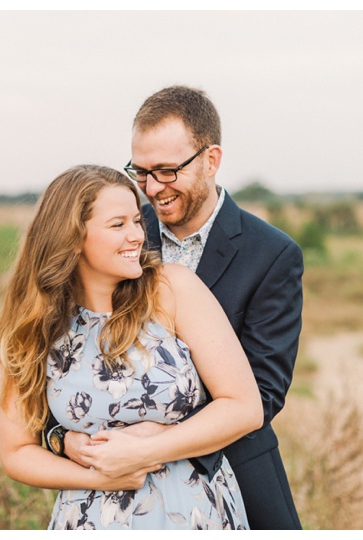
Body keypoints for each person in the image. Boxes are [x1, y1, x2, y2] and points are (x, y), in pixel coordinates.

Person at [58, 86, 305, 530]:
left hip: (235, 476)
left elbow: (263, 392)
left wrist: (153, 440)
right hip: (116, 487)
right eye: (141, 171)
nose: (152, 188)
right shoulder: (116, 237)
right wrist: (63, 439)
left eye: (168, 170)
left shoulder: (272, 254)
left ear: (211, 160)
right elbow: (72, 358)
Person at [0, 164, 263, 529]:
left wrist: (145, 450)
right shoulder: (36, 324)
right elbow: (16, 453)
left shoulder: (171, 290)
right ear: (72, 237)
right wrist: (97, 477)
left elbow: (244, 407)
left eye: (137, 221)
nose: (137, 235)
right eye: (118, 225)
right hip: (91, 520)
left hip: (191, 512)